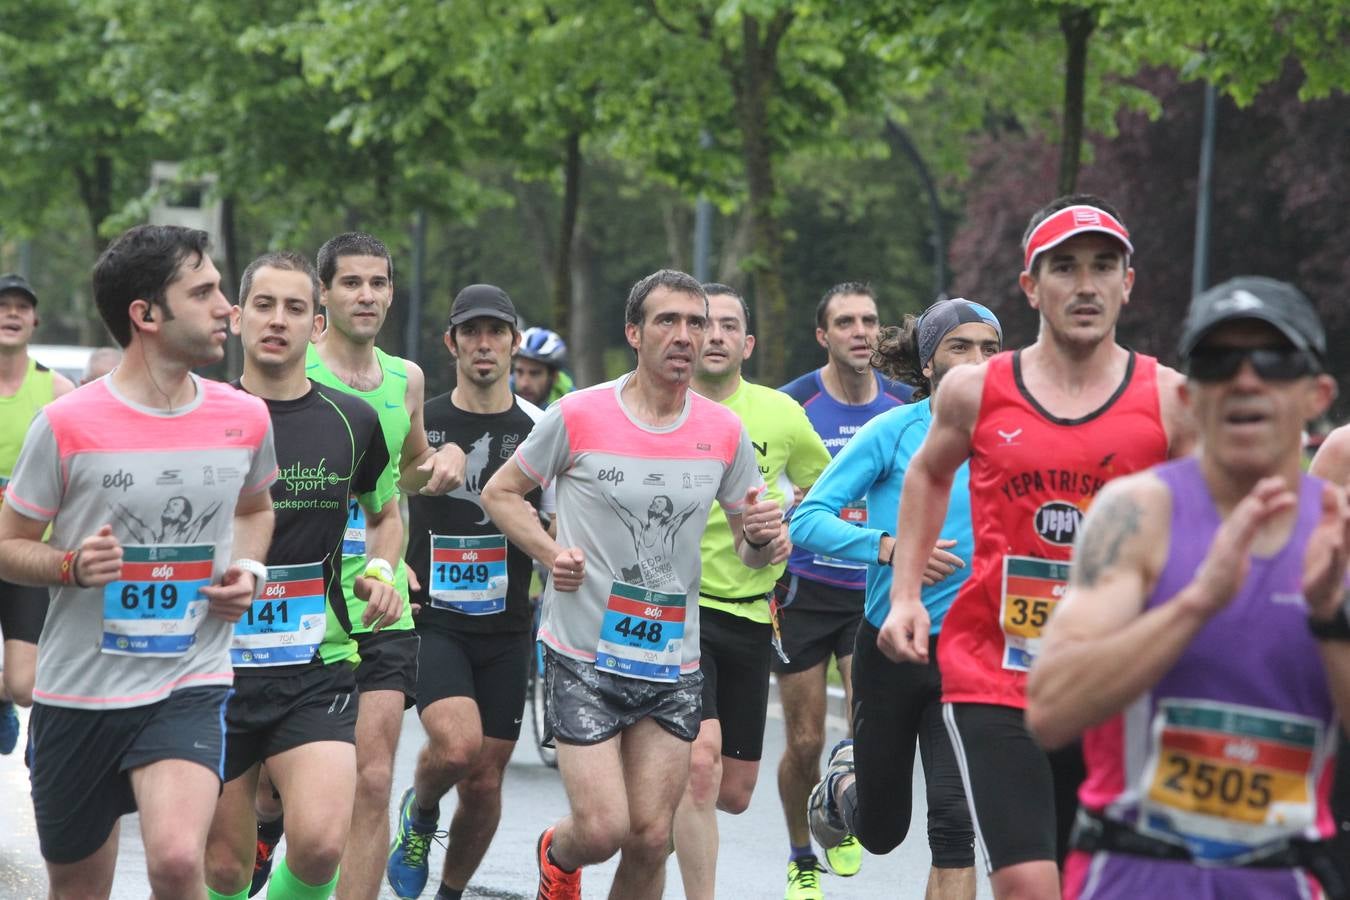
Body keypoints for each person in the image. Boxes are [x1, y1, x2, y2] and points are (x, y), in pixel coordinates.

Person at [879, 195, 1193, 899]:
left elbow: (1206, 518)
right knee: (1027, 886)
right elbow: (929, 474)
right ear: (1031, 286)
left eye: (1103, 267)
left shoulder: (1172, 401)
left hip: (1117, 680)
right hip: (993, 671)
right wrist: (905, 596)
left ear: (1127, 283)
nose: (1085, 285)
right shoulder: (974, 390)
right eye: (1065, 268)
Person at [1027, 276, 1350, 899]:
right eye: (1218, 361)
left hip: (1282, 877)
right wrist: (1196, 601)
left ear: (1318, 394)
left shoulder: (1337, 536)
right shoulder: (1137, 516)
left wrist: (1331, 619)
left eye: (1275, 362)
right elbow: (1051, 711)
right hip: (1135, 873)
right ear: (1187, 392)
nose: (1246, 380)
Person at [481, 269, 783, 900]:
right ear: (634, 333)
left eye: (696, 323)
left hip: (672, 661)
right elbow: (501, 492)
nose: (684, 336)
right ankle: (557, 852)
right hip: (583, 655)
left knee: (651, 837)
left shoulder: (724, 432)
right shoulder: (579, 414)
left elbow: (753, 551)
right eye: (667, 321)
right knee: (603, 829)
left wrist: (765, 539)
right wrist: (550, 550)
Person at [0, 225, 276, 899]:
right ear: (145, 315)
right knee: (78, 890)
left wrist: (248, 571)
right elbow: (8, 544)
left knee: (179, 861)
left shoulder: (244, 418)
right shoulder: (67, 424)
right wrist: (69, 566)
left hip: (189, 679)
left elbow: (254, 509)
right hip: (79, 694)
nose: (225, 308)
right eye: (204, 291)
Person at [202, 251, 403, 900]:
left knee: (319, 846)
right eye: (263, 305)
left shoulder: (353, 419)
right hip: (214, 666)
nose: (278, 320)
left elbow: (386, 512)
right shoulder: (202, 414)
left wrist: (378, 569)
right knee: (227, 868)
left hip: (317, 662)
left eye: (295, 308)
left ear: (318, 326)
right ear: (236, 318)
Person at [795, 298, 1002, 900]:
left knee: (955, 828)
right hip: (891, 648)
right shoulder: (895, 431)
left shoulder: (1011, 438)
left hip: (970, 655)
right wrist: (890, 546)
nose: (977, 360)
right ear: (929, 363)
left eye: (989, 348)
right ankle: (840, 786)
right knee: (883, 831)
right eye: (960, 347)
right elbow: (808, 519)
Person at [299, 232, 465, 900]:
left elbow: (404, 476)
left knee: (373, 779)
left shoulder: (407, 378)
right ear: (325, 293)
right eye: (351, 283)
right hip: (299, 604)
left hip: (379, 598)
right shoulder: (296, 371)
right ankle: (264, 831)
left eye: (378, 283)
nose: (366, 295)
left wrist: (442, 465)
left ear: (392, 292)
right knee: (287, 792)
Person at [386, 285, 553, 900]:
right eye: (471, 333)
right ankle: (421, 811)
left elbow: (559, 518)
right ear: (451, 343)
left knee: (485, 779)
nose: (484, 345)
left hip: (509, 622)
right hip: (434, 618)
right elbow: (382, 499)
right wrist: (389, 563)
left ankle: (451, 891)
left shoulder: (540, 426)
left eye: (496, 332)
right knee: (455, 747)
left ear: (514, 342)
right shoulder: (422, 419)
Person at [672, 284, 830, 899]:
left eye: (728, 326)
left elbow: (826, 490)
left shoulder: (781, 414)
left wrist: (790, 526)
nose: (714, 335)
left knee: (732, 793)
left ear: (747, 343)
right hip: (679, 612)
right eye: (703, 324)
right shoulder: (665, 409)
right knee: (701, 762)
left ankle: (643, 827)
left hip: (753, 614)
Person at [775, 281, 912, 893]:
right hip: (805, 589)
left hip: (873, 589)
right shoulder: (794, 403)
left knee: (864, 727)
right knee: (804, 739)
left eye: (871, 321)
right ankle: (802, 856)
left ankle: (843, 803)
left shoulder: (906, 406)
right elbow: (755, 484)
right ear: (822, 336)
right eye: (847, 322)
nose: (862, 332)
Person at [0, 273, 75, 755]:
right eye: (3, 305)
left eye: (21, 307)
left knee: (26, 683)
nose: (11, 314)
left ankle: (5, 695)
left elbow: (78, 475)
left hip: (27, 549)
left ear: (34, 320)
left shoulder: (58, 390)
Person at [512, 326, 574, 408]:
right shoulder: (501, 391)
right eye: (519, 372)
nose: (524, 384)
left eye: (534, 374)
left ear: (554, 377)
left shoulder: (571, 405)